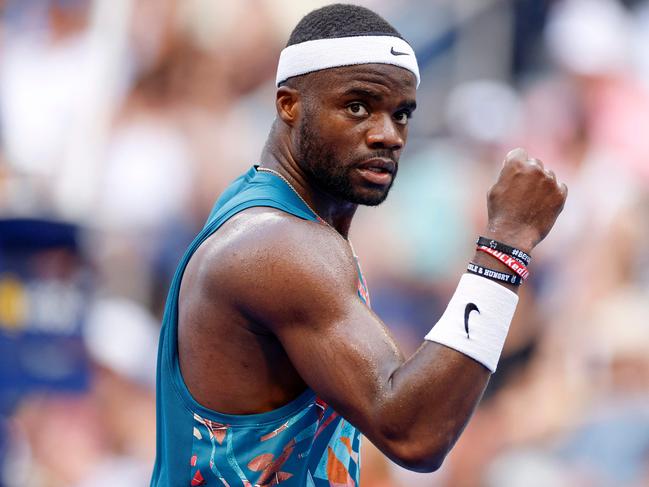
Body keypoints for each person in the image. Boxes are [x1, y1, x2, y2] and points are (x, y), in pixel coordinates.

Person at [150, 4, 567, 486]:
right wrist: (507, 243)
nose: (387, 134)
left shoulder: (272, 217)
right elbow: (414, 433)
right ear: (289, 104)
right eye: (357, 106)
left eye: (402, 114)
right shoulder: (281, 244)